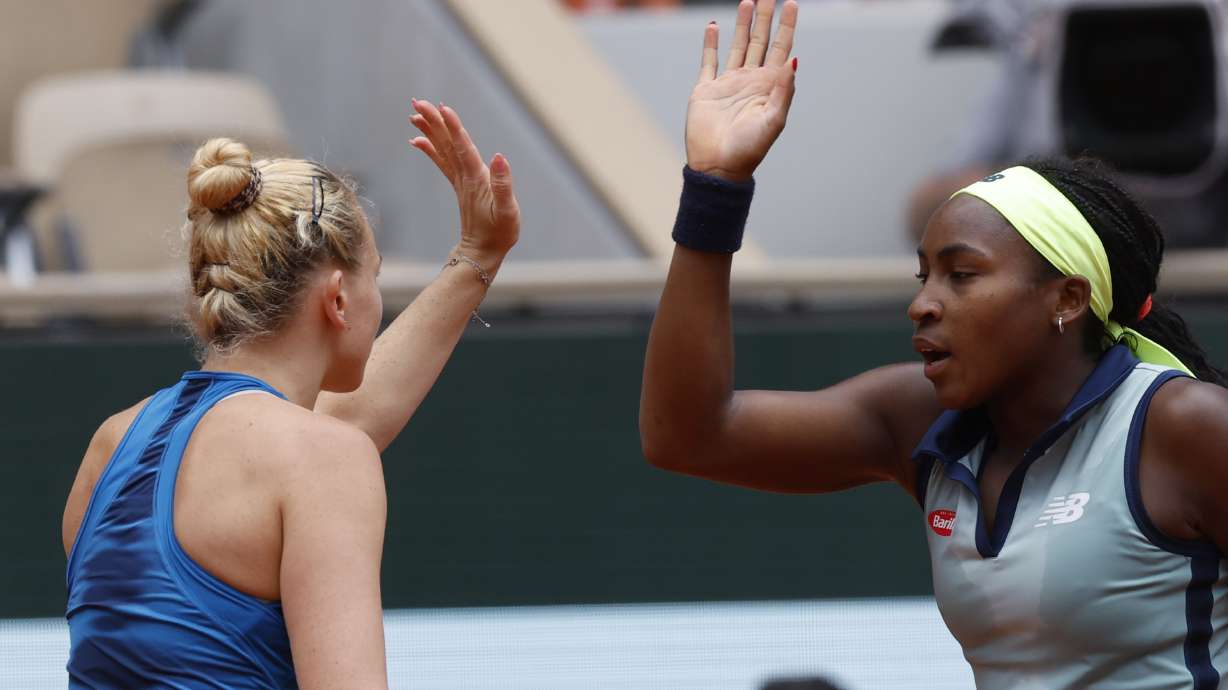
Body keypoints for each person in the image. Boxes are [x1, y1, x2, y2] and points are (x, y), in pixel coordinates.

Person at [640, 1, 1228, 688]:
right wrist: (716, 188)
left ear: (1066, 299)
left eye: (962, 274)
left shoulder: (1187, 426)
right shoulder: (919, 420)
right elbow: (686, 435)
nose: (923, 302)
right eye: (924, 275)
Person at [61, 100, 518, 688]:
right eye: (374, 276)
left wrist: (479, 253)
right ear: (337, 299)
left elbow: (339, 421)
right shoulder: (320, 460)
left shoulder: (114, 443)